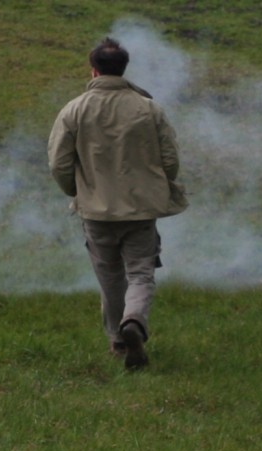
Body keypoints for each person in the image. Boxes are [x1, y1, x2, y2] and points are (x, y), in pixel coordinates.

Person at [48, 38, 188, 370]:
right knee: (140, 273)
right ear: (123, 68)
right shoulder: (149, 108)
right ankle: (135, 321)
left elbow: (59, 164)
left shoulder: (74, 109)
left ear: (93, 69)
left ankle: (118, 340)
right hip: (140, 209)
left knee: (110, 276)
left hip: (96, 212)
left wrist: (77, 192)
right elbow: (171, 160)